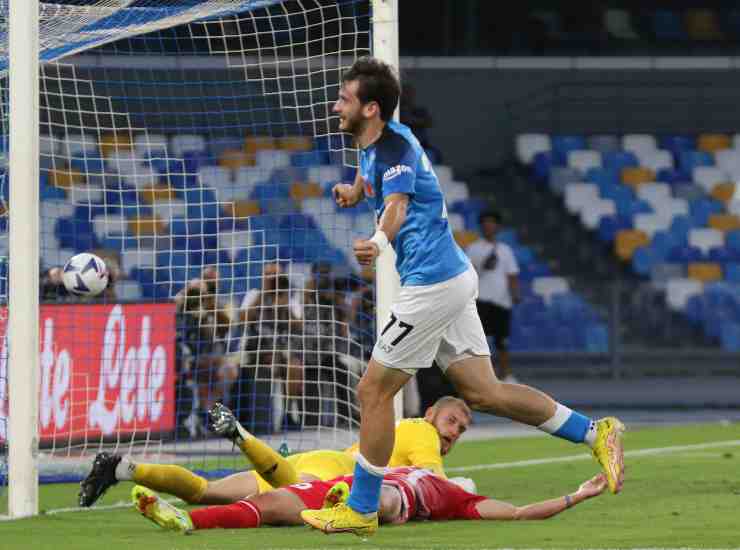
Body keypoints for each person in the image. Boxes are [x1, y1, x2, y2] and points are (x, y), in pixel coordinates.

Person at [301, 56, 625, 537]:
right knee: (483, 392)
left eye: (344, 99)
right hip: (450, 277)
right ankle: (593, 430)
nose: (334, 106)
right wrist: (352, 191)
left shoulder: (394, 150)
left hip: (431, 286)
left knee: (373, 390)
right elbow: (374, 182)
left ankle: (363, 508)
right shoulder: (374, 144)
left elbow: (396, 205)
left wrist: (379, 242)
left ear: (370, 108)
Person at [78, 396, 472, 507]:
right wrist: (466, 489)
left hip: (308, 462)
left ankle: (123, 468)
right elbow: (435, 484)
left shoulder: (404, 427)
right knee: (294, 499)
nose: (455, 431)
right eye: (452, 421)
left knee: (204, 493)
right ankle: (243, 437)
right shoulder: (423, 432)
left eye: (462, 428)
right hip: (333, 473)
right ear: (431, 413)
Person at [130, 465, 609, 534]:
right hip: (337, 479)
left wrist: (577, 495)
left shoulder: (452, 496)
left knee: (381, 495)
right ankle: (188, 521)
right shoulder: (414, 454)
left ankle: (351, 507)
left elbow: (520, 512)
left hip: (384, 496)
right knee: (273, 503)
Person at [465, 210, 520, 382]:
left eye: (492, 222)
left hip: (502, 302)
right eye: (486, 222)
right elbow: (468, 274)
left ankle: (505, 374)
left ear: (498, 227)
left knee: (502, 342)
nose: (489, 225)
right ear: (481, 226)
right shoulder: (473, 249)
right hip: (480, 300)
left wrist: (515, 294)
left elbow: (512, 275)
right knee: (478, 342)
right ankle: (481, 377)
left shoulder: (505, 250)